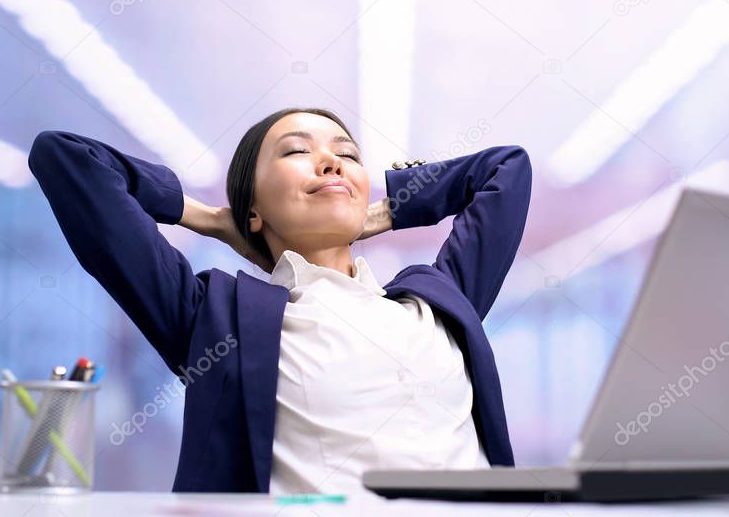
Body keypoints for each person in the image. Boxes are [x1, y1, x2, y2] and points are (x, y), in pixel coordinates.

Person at [27, 107, 532, 494]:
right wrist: (208, 218)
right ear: (254, 209)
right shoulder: (217, 317)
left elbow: (507, 169)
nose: (332, 161)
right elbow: (67, 158)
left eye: (348, 156)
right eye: (297, 151)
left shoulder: (440, 300)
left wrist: (386, 210)